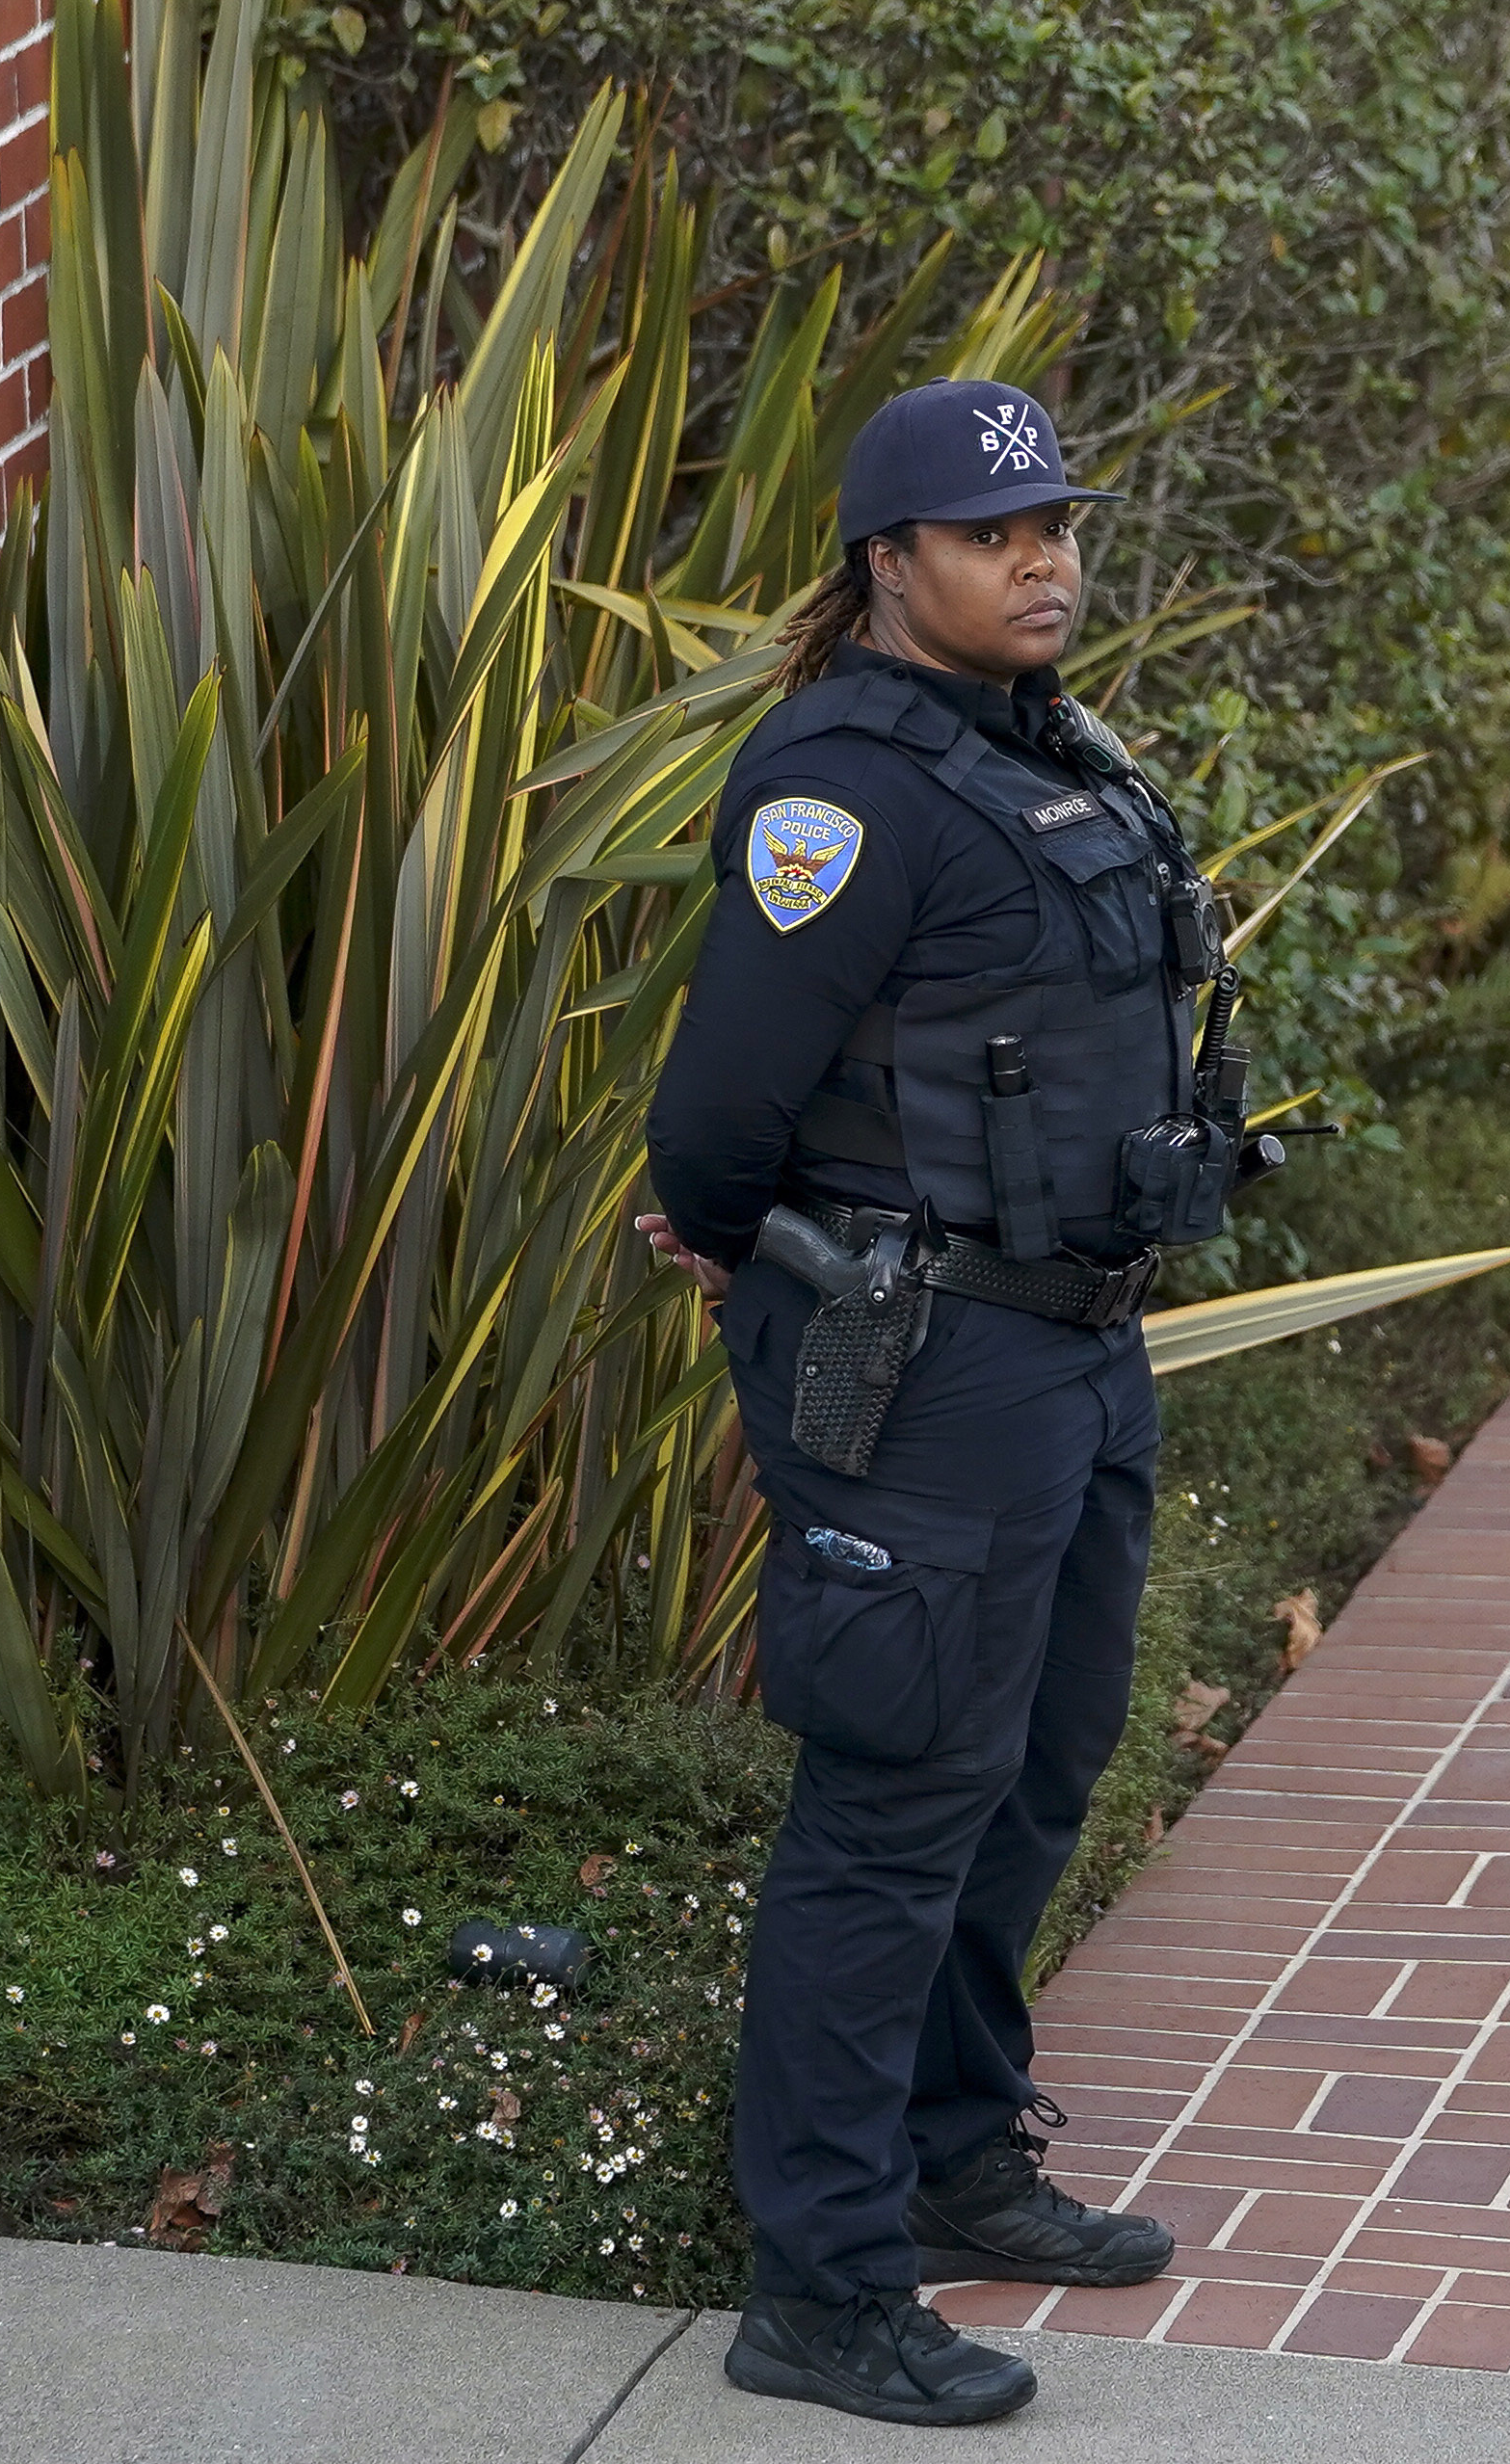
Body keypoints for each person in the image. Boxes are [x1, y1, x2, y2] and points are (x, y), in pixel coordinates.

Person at [638, 375, 1267, 2428]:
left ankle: (950, 2151)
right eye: (993, 534)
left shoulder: (1045, 750)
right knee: (893, 1805)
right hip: (912, 1360)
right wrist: (735, 1235)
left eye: (1055, 523)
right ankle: (818, 2284)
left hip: (1071, 1345)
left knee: (1037, 1768)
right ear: (886, 561)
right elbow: (723, 1100)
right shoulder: (841, 789)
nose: (1041, 560)